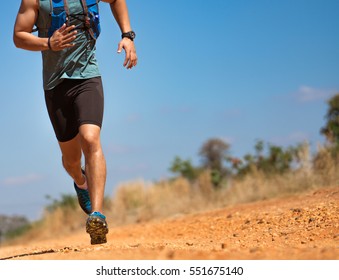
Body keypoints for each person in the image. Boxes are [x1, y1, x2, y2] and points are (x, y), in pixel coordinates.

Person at [13, 0, 137, 245]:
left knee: (91, 139)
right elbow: (19, 36)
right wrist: (49, 43)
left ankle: (97, 216)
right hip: (55, 85)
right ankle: (81, 182)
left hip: (87, 78)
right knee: (71, 161)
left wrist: (127, 35)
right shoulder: (34, 1)